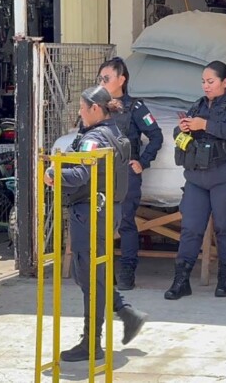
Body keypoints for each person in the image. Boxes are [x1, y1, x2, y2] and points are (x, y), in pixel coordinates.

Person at [43, 86, 147, 362]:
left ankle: (92, 342)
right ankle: (125, 313)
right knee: (88, 274)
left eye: (82, 107)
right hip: (103, 211)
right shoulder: (113, 131)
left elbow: (80, 174)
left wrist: (53, 171)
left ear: (95, 109)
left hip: (90, 213)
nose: (79, 112)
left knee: (88, 276)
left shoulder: (96, 138)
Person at [165, 61, 226, 300]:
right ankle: (181, 280)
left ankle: (225, 280)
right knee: (190, 229)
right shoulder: (197, 105)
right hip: (197, 177)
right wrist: (183, 129)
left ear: (225, 83)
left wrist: (206, 125)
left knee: (225, 228)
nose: (206, 86)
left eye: (210, 81)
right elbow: (178, 135)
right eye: (203, 82)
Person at [97, 57, 164, 290]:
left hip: (125, 174)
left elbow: (156, 136)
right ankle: (103, 271)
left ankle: (127, 271)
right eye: (101, 78)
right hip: (101, 174)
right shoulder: (98, 107)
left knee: (125, 223)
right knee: (101, 224)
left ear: (121, 80)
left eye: (107, 78)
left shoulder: (135, 107)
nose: (102, 82)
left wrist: (142, 162)